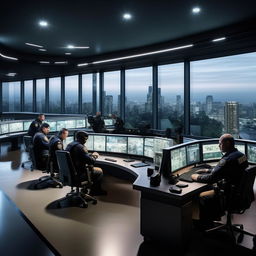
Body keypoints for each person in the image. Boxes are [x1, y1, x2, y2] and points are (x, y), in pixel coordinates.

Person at [191, 134, 248, 228]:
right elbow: (229, 170)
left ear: (228, 143)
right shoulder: (241, 156)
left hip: (229, 194)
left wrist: (196, 177)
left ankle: (205, 225)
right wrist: (207, 170)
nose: (219, 146)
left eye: (220, 144)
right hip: (240, 193)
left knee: (202, 196)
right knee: (211, 188)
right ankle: (214, 216)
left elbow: (211, 179)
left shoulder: (227, 159)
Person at [66, 131, 107, 196]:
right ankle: (95, 191)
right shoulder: (81, 147)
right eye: (85, 139)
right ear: (83, 139)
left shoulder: (70, 145)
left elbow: (79, 156)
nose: (86, 141)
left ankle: (86, 188)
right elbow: (91, 161)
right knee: (99, 171)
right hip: (79, 174)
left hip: (69, 173)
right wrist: (95, 155)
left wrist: (88, 155)